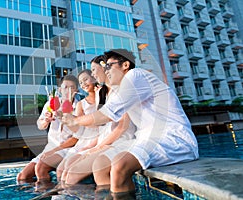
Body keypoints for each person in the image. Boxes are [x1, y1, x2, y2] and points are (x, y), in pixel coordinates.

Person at [62, 49, 199, 197]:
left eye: (109, 66)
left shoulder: (136, 75)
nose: (105, 70)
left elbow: (108, 114)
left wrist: (75, 119)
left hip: (174, 139)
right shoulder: (121, 88)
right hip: (146, 139)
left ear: (125, 65)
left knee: (120, 166)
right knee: (104, 164)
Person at [58, 56, 136, 188]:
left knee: (72, 175)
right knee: (66, 172)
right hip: (105, 140)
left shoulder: (120, 90)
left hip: (120, 140)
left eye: (94, 70)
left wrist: (98, 147)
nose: (93, 73)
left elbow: (122, 126)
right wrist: (93, 146)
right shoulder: (103, 93)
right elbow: (102, 128)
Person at [16, 74, 81, 184]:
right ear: (60, 89)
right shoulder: (51, 104)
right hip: (50, 147)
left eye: (72, 87)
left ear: (77, 90)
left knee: (41, 168)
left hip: (68, 149)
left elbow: (78, 136)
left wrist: (65, 118)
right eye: (65, 87)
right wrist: (46, 120)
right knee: (22, 177)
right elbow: (40, 125)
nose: (68, 91)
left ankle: (49, 193)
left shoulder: (80, 107)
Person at [56, 69, 100, 182]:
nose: (83, 84)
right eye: (81, 82)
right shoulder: (81, 104)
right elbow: (78, 130)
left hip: (99, 138)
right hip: (84, 139)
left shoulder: (103, 97)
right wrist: (67, 120)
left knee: (71, 171)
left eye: (86, 79)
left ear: (94, 78)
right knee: (60, 170)